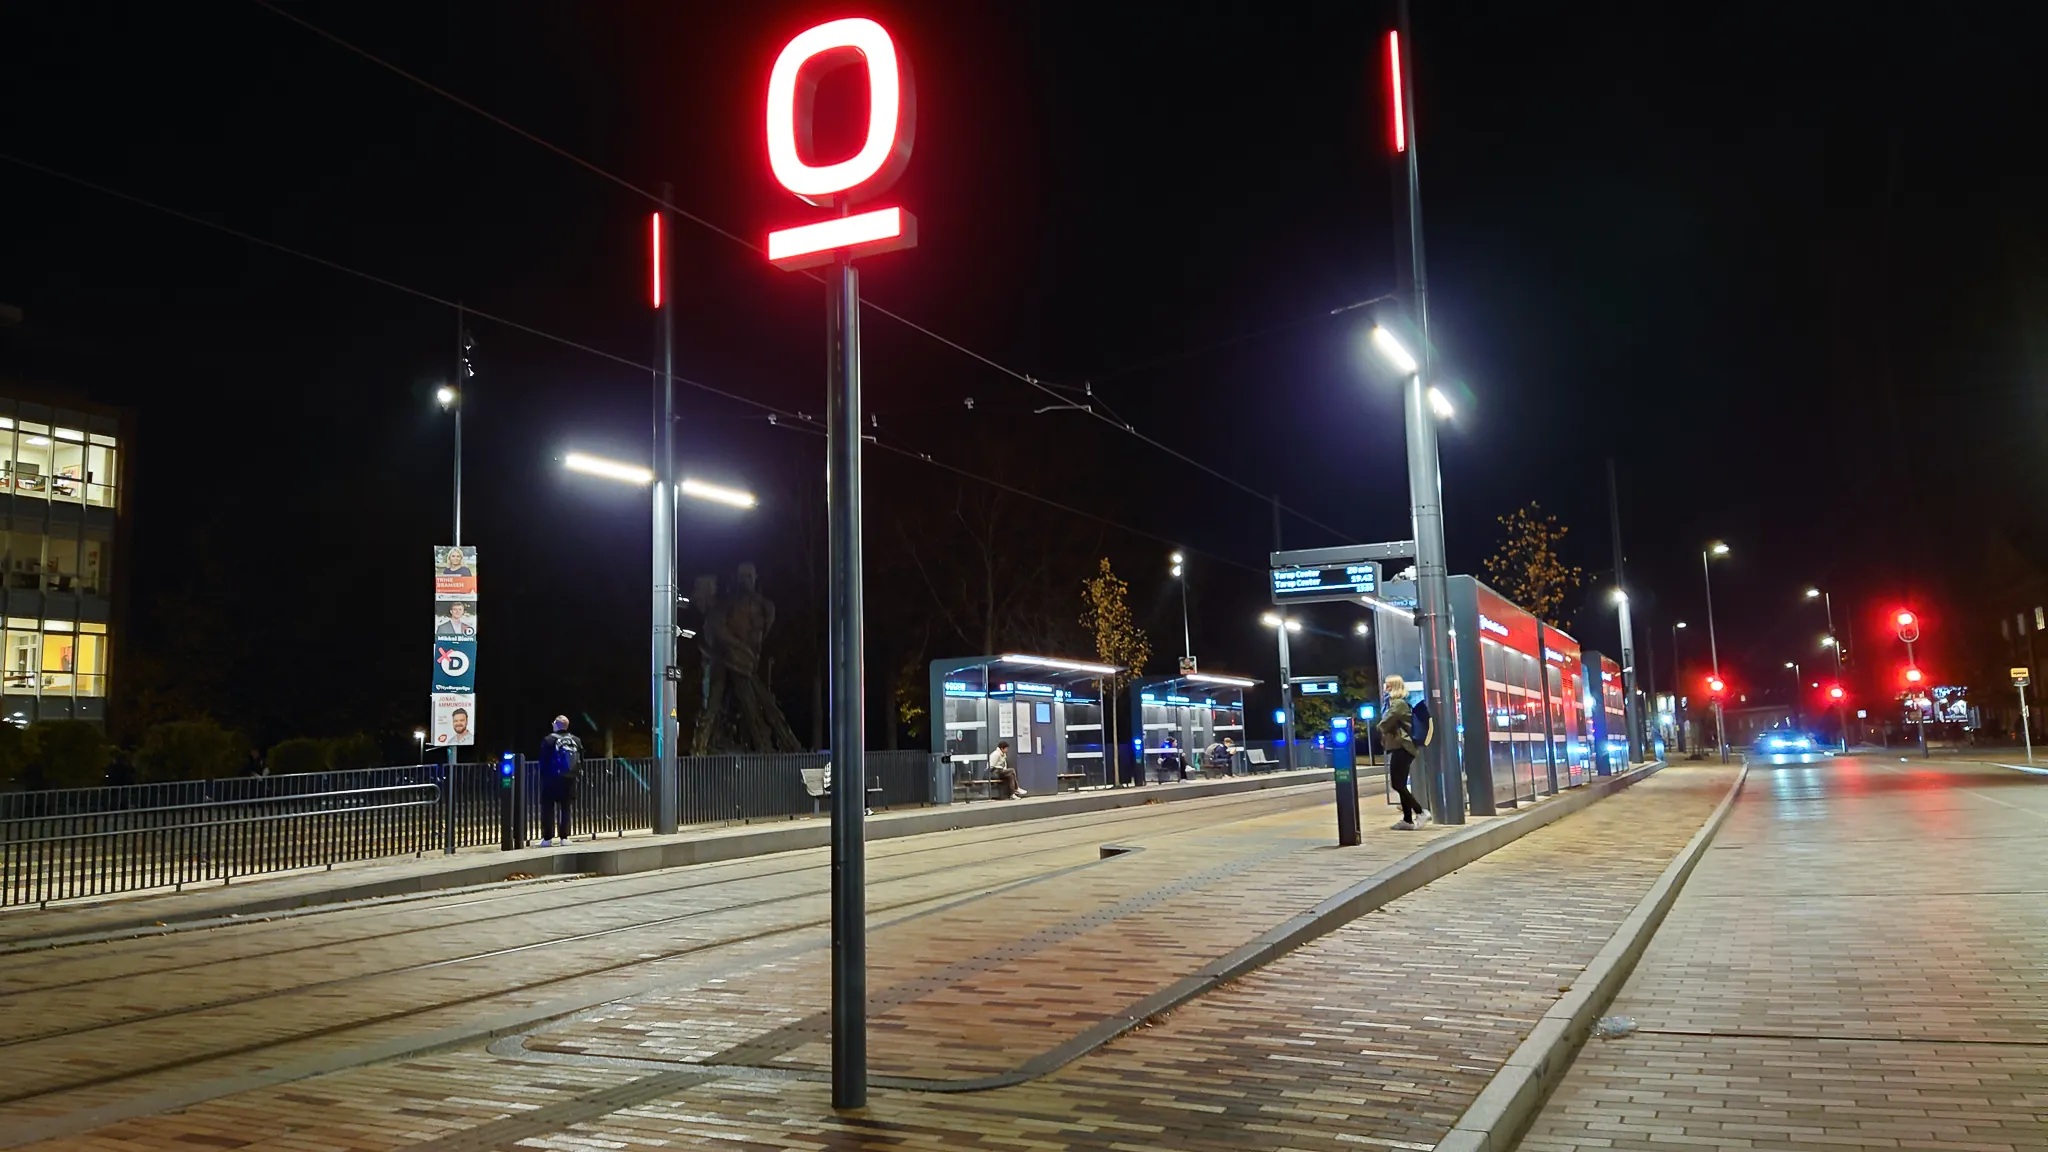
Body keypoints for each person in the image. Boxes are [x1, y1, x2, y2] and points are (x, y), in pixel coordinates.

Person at [1376, 674, 1429, 830]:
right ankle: (1407, 820)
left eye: (1388, 685)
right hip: (1401, 747)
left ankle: (1420, 812)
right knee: (1400, 784)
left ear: (1394, 687)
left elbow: (1385, 723)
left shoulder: (1398, 704)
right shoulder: (1395, 703)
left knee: (1397, 783)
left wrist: (1378, 727)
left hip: (1404, 747)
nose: (1385, 688)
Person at [538, 715, 581, 846]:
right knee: (566, 809)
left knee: (548, 809)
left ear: (556, 725)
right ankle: (564, 837)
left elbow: (543, 760)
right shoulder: (576, 740)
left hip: (551, 780)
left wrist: (543, 776)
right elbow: (580, 761)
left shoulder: (549, 740)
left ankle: (547, 838)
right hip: (569, 780)